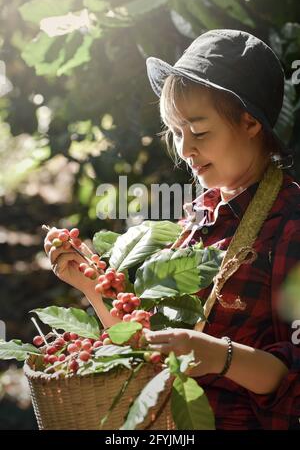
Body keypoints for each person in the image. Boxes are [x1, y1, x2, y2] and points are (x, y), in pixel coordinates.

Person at [44, 29, 300, 430]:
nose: (184, 149)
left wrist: (219, 356)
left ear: (250, 123)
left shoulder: (289, 226)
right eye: (176, 133)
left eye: (198, 131)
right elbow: (148, 345)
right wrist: (94, 287)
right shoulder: (201, 214)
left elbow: (292, 378)